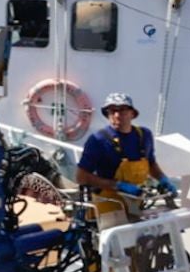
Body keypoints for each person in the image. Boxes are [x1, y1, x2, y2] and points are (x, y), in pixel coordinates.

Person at [74, 93, 176, 226]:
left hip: (136, 204)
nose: (117, 115)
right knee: (113, 244)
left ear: (132, 113)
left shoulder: (144, 136)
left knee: (140, 242)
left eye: (122, 109)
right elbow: (81, 177)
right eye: (112, 111)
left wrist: (163, 179)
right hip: (109, 207)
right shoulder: (98, 140)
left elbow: (150, 163)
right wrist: (118, 186)